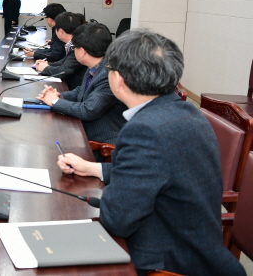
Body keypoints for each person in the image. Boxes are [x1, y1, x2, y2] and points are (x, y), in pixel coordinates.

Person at [57, 29, 246, 276]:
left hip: (165, 262)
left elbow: (117, 220)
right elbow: (158, 171)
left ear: (118, 80)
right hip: (198, 250)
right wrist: (94, 168)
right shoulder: (189, 113)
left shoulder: (144, 130)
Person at [37, 23, 126, 154]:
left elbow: (88, 111)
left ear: (83, 51)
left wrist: (55, 102)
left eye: (75, 47)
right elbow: (81, 90)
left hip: (102, 144)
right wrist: (59, 96)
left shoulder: (108, 74)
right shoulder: (97, 65)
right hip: (85, 131)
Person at [34, 11, 86, 90]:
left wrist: (45, 68)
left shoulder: (77, 46)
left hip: (75, 88)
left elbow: (64, 71)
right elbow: (64, 62)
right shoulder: (72, 43)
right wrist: (47, 64)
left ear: (61, 31)